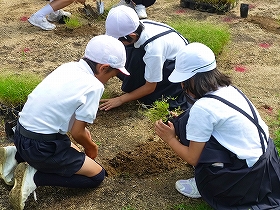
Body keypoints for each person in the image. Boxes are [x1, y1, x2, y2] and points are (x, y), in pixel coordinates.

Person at [0, 35, 129, 210]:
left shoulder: (69, 67)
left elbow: (64, 115)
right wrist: (91, 147)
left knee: (73, 150)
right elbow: (77, 133)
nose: (112, 78)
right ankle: (35, 176)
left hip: (21, 133)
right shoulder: (94, 86)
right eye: (114, 74)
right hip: (40, 146)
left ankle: (14, 155)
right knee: (97, 175)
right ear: (104, 67)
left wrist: (79, 137)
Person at [155, 42, 280, 209]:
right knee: (187, 122)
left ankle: (207, 183)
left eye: (183, 81)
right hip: (268, 164)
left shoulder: (203, 108)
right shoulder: (229, 89)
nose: (181, 86)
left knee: (190, 131)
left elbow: (192, 158)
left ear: (192, 79)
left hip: (245, 179)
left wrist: (170, 138)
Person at [100, 5, 189, 111]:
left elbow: (150, 87)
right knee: (126, 53)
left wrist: (121, 99)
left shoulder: (153, 50)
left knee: (152, 98)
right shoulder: (138, 27)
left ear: (132, 35)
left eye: (118, 40)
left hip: (176, 66)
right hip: (162, 54)